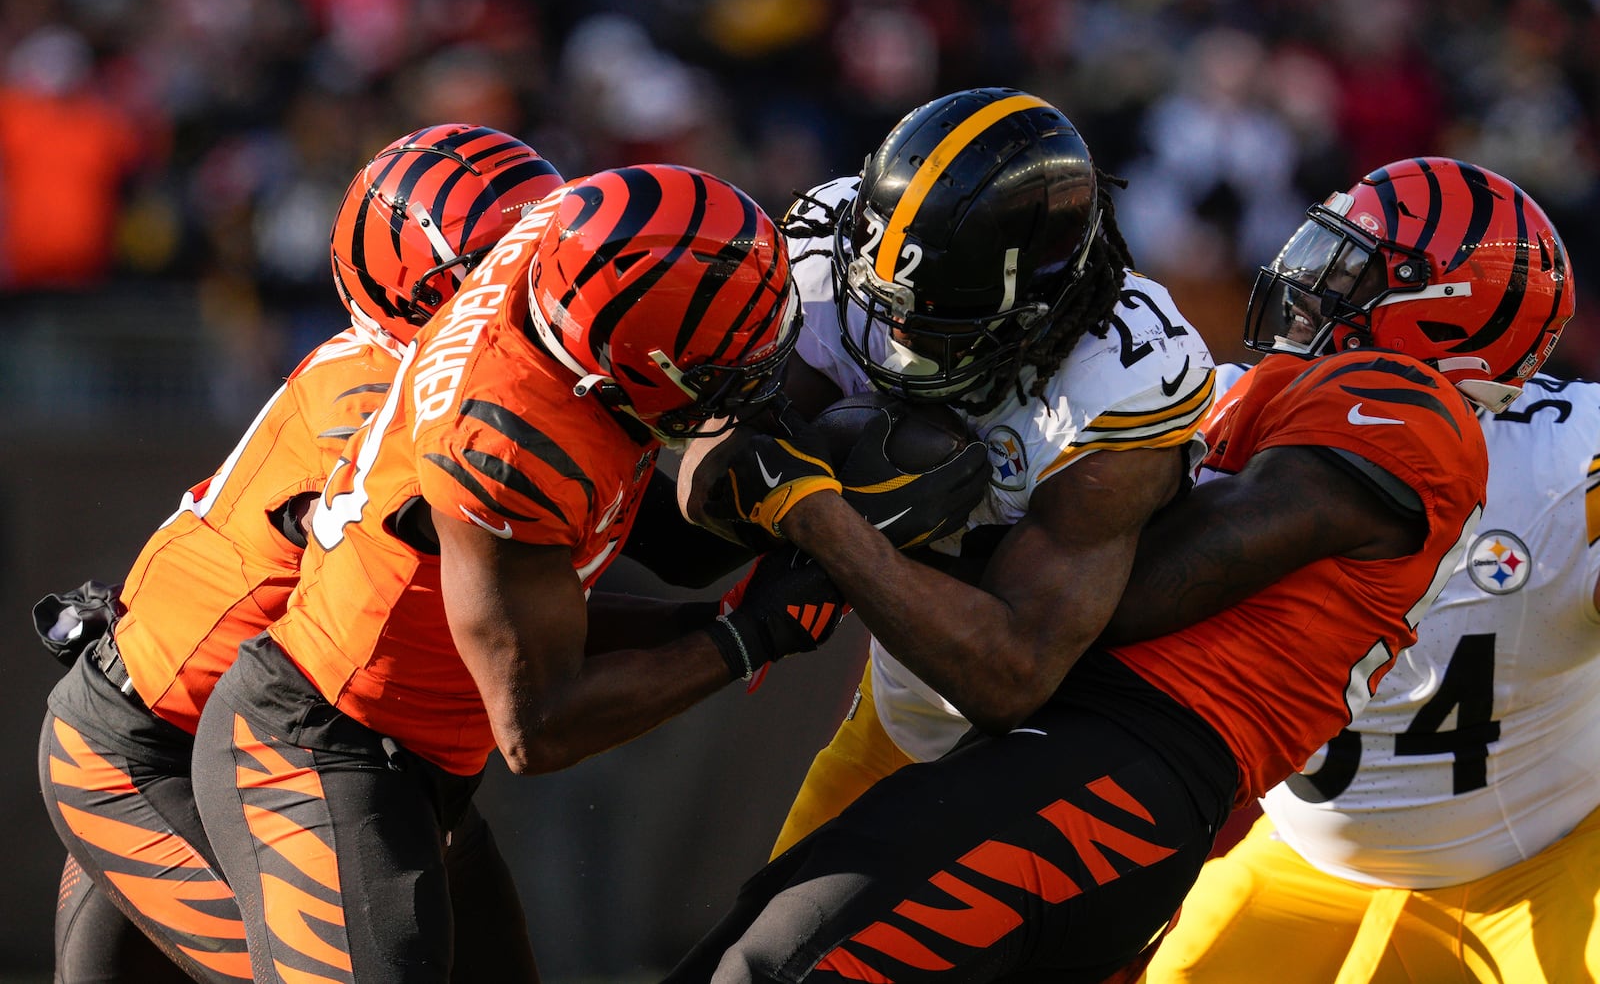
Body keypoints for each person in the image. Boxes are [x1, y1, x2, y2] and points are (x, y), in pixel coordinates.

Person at [671, 152, 1574, 982]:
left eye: (1354, 267)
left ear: (1446, 303)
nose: (1310, 277)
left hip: (1130, 752)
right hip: (1057, 739)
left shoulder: (1410, 413)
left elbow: (1138, 595)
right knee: (750, 949)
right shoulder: (1267, 387)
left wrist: (872, 526)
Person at [183, 161, 923, 984]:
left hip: (418, 751)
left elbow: (604, 585)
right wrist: (749, 636)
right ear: (635, 367)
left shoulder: (570, 248)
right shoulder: (509, 448)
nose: (751, 386)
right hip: (324, 752)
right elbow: (538, 725)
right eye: (720, 370)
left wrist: (732, 609)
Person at [37, 123, 566, 983]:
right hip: (166, 750)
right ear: (428, 288)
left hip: (339, 758)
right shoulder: (383, 403)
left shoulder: (434, 379)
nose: (551, 284)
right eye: (514, 262)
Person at [1142, 373, 1600, 982]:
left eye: (1365, 284)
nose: (1309, 310)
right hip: (1306, 861)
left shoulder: (1567, 458)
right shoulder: (1233, 404)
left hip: (1542, 858)